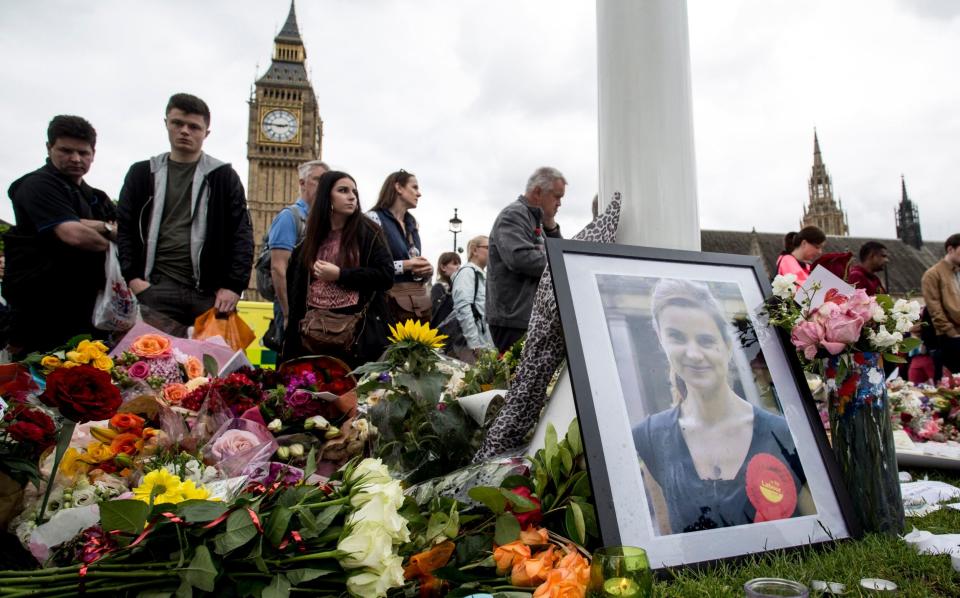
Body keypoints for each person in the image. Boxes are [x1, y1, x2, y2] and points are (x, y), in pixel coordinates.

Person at [632, 279, 812, 535]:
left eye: (706, 340)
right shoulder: (649, 436)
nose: (693, 354)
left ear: (728, 348)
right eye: (676, 337)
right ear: (662, 340)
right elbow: (668, 539)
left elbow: (821, 532)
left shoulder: (782, 433)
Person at [117, 93, 254, 337]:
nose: (185, 131)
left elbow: (242, 234)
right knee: (152, 367)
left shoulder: (223, 177)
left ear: (206, 133)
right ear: (166, 124)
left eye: (194, 127)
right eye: (178, 123)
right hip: (156, 287)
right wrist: (135, 280)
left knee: (209, 370)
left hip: (209, 293)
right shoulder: (142, 174)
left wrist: (233, 286)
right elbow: (125, 228)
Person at [3, 115, 117, 356]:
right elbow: (74, 235)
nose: (75, 159)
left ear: (93, 154)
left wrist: (87, 223)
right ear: (49, 148)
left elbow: (127, 234)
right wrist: (107, 231)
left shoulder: (97, 197)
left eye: (83, 152)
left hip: (89, 311)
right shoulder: (36, 185)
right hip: (40, 312)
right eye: (66, 150)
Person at [282, 171, 394, 367]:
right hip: (314, 337)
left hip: (358, 338)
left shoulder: (369, 233)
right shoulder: (308, 243)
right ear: (327, 196)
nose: (352, 196)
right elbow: (297, 301)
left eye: (354, 192)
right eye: (343, 190)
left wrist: (340, 275)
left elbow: (385, 276)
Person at [486, 166, 565, 352]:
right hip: (514, 319)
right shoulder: (513, 215)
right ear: (538, 192)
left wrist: (551, 227)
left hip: (526, 316)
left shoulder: (536, 219)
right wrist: (558, 261)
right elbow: (520, 258)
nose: (560, 203)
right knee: (517, 377)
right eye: (557, 196)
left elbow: (560, 254)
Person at [265, 160, 329, 345]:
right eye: (317, 180)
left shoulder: (322, 220)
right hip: (293, 308)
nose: (322, 186)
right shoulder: (289, 217)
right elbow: (278, 268)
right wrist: (287, 314)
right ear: (302, 183)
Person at [366, 170, 433, 324]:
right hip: (383, 308)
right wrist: (406, 265)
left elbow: (414, 268)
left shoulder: (412, 224)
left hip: (410, 308)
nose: (419, 193)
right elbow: (368, 266)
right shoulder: (373, 219)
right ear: (398, 188)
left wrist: (426, 271)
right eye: (414, 187)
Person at [448, 235, 494, 362]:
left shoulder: (479, 274)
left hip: (482, 342)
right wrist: (474, 345)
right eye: (489, 248)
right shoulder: (467, 272)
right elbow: (463, 309)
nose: (492, 252)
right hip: (471, 347)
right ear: (474, 250)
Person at [921, 233, 960, 376]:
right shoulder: (933, 274)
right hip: (949, 338)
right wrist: (952, 334)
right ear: (950, 249)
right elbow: (934, 308)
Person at [429, 251, 461, 331]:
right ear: (443, 267)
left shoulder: (456, 286)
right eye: (455, 263)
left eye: (459, 264)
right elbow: (438, 316)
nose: (459, 267)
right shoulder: (438, 288)